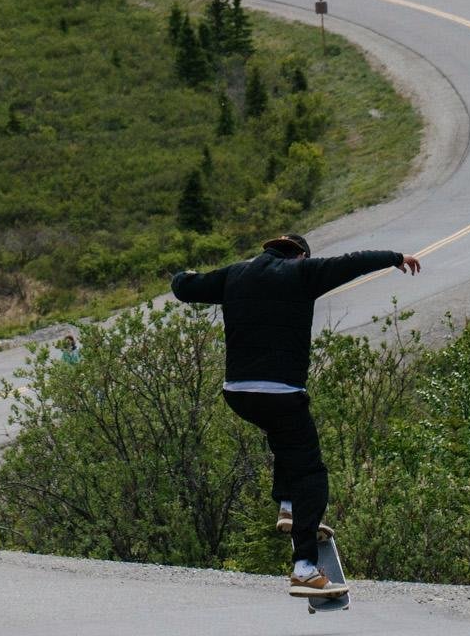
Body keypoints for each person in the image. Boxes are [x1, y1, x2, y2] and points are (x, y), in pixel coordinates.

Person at [170, 231, 421, 593]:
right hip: (282, 393)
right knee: (312, 473)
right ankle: (304, 567)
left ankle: (288, 506)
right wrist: (396, 255)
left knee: (284, 438)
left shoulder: (235, 274)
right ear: (301, 255)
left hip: (238, 393)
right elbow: (352, 262)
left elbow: (187, 288)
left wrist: (182, 276)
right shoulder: (304, 273)